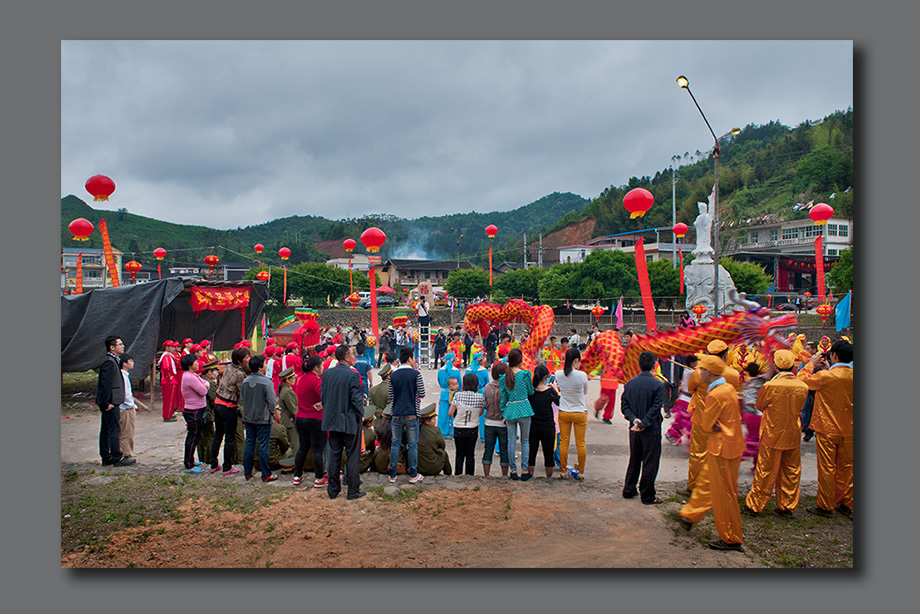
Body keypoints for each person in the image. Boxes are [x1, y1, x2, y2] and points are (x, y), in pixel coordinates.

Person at [677, 355, 745, 551]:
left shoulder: (714, 395)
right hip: (729, 445)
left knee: (724, 494)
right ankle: (690, 515)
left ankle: (731, 537)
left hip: (721, 448)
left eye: (702, 370)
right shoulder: (728, 388)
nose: (699, 373)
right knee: (707, 482)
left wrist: (712, 423)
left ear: (710, 372)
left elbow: (706, 424)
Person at [743, 349, 809, 516]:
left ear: (777, 366)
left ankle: (756, 505)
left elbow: (759, 405)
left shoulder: (770, 385)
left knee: (765, 470)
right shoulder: (802, 385)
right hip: (793, 432)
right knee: (791, 470)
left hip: (772, 433)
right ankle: (786, 505)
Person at [798, 339, 854, 518]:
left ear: (834, 355)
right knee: (848, 467)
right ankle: (847, 503)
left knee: (827, 467)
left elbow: (802, 380)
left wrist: (810, 364)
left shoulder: (825, 376)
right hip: (850, 429)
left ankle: (826, 505)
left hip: (827, 428)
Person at [620, 351, 666, 504]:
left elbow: (624, 406)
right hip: (650, 429)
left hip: (634, 428)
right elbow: (656, 408)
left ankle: (629, 488)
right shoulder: (658, 385)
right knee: (650, 462)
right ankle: (647, 495)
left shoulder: (630, 384)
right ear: (654, 365)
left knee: (635, 458)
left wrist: (634, 420)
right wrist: (643, 423)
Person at [321, 345, 366, 499]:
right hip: (348, 421)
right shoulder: (352, 375)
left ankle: (333, 489)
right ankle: (353, 490)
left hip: (332, 420)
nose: (354, 357)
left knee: (334, 455)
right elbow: (356, 399)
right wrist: (361, 414)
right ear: (346, 357)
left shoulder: (326, 374)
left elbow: (324, 397)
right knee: (352, 455)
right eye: (352, 355)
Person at [387, 346, 427, 485]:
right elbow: (422, 393)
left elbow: (391, 396)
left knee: (395, 444)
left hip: (396, 413)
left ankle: (392, 474)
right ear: (410, 358)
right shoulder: (416, 375)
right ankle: (413, 474)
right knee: (412, 444)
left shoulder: (392, 375)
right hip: (412, 413)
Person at [241, 355, 280, 483]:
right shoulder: (266, 382)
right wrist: (274, 412)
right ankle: (266, 473)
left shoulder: (245, 381)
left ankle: (247, 472)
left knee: (249, 443)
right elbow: (271, 401)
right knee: (263, 445)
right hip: (262, 418)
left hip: (248, 417)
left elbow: (242, 399)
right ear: (259, 367)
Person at [210, 347, 248, 476]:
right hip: (228, 406)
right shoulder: (239, 374)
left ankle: (213, 463)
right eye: (246, 357)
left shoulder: (228, 368)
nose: (248, 359)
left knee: (218, 435)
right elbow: (242, 392)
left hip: (218, 403)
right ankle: (227, 466)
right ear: (239, 360)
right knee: (229, 439)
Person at [499, 348, 535, 481]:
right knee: (525, 441)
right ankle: (524, 470)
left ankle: (513, 470)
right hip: (524, 408)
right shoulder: (525, 374)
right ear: (520, 360)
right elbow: (531, 392)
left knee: (511, 441)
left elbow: (503, 398)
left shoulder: (504, 377)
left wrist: (504, 410)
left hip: (511, 410)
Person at [293, 354, 327, 487]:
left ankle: (297, 475)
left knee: (303, 447)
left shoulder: (301, 379)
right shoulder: (316, 381)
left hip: (300, 417)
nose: (323, 368)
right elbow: (324, 396)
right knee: (317, 449)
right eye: (322, 365)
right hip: (314, 418)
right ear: (316, 367)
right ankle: (318, 477)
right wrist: (323, 404)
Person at [555, 347, 589, 479]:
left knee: (564, 442)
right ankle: (581, 472)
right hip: (579, 411)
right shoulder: (582, 375)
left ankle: (563, 471)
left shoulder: (558, 374)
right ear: (576, 360)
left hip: (564, 411)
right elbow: (585, 392)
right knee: (580, 442)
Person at [450, 372, 486, 476]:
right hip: (472, 428)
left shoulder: (458, 395)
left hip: (459, 428)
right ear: (476, 385)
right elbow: (480, 413)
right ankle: (470, 475)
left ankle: (458, 474)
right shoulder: (480, 397)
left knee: (459, 454)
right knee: (470, 454)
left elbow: (450, 412)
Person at [179, 353, 210, 473]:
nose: (198, 364)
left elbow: (205, 383)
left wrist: (205, 385)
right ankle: (189, 464)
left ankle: (190, 459)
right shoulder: (189, 377)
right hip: (193, 410)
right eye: (195, 362)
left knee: (195, 436)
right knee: (193, 437)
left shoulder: (193, 375)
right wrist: (204, 386)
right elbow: (203, 390)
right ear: (190, 365)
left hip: (197, 408)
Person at [528, 365, 560, 479]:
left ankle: (530, 474)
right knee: (548, 454)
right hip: (548, 426)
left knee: (532, 453)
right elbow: (559, 403)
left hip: (533, 426)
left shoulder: (531, 392)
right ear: (546, 377)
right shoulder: (550, 391)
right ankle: (548, 478)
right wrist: (556, 389)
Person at [482, 361, 510, 477]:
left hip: (489, 421)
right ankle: (504, 475)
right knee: (504, 450)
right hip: (503, 422)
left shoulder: (487, 387)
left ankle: (486, 475)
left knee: (488, 449)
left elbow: (485, 403)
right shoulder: (507, 388)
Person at [665, 355, 698, 447]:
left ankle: (672, 434)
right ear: (691, 364)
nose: (697, 364)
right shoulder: (691, 372)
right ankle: (672, 435)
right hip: (686, 400)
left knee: (683, 420)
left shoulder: (689, 371)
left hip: (687, 398)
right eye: (696, 363)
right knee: (685, 421)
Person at [740, 362, 768, 468]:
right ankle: (757, 463)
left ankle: (740, 457)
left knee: (751, 438)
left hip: (748, 414)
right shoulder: (762, 382)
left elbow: (742, 401)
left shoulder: (745, 384)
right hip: (760, 414)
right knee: (759, 439)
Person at [196, 359, 219, 467]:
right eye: (215, 371)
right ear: (209, 372)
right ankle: (209, 459)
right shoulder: (209, 383)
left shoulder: (201, 380)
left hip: (199, 413)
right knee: (209, 438)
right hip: (207, 414)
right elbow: (214, 399)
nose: (217, 373)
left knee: (201, 438)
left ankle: (202, 459)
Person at [417, 404, 452, 476]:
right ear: (427, 421)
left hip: (418, 467)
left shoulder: (415, 430)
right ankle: (448, 475)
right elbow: (442, 445)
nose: (435, 420)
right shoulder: (435, 431)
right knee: (443, 453)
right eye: (433, 419)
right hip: (433, 467)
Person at [117, 353, 138, 459]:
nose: (133, 363)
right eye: (131, 361)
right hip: (126, 408)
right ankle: (126, 453)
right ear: (124, 363)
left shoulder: (124, 375)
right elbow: (125, 394)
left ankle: (125, 451)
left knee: (127, 431)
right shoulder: (122, 376)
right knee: (126, 432)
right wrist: (131, 405)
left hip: (127, 406)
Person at [276, 367, 299, 457]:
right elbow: (293, 409)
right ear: (287, 380)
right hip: (290, 422)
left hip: (287, 421)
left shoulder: (286, 389)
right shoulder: (287, 392)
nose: (294, 379)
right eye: (292, 378)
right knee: (295, 445)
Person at [436, 353, 460, 438]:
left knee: (443, 414)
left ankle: (443, 432)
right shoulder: (456, 371)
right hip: (455, 394)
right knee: (454, 413)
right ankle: (453, 432)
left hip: (444, 393)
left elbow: (439, 381)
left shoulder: (441, 370)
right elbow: (459, 383)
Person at [159, 340, 181, 422]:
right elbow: (166, 367)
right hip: (169, 381)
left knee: (170, 399)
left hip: (170, 380)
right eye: (171, 347)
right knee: (169, 399)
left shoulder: (169, 356)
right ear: (167, 347)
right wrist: (169, 377)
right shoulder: (166, 357)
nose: (173, 348)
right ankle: (167, 416)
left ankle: (170, 414)